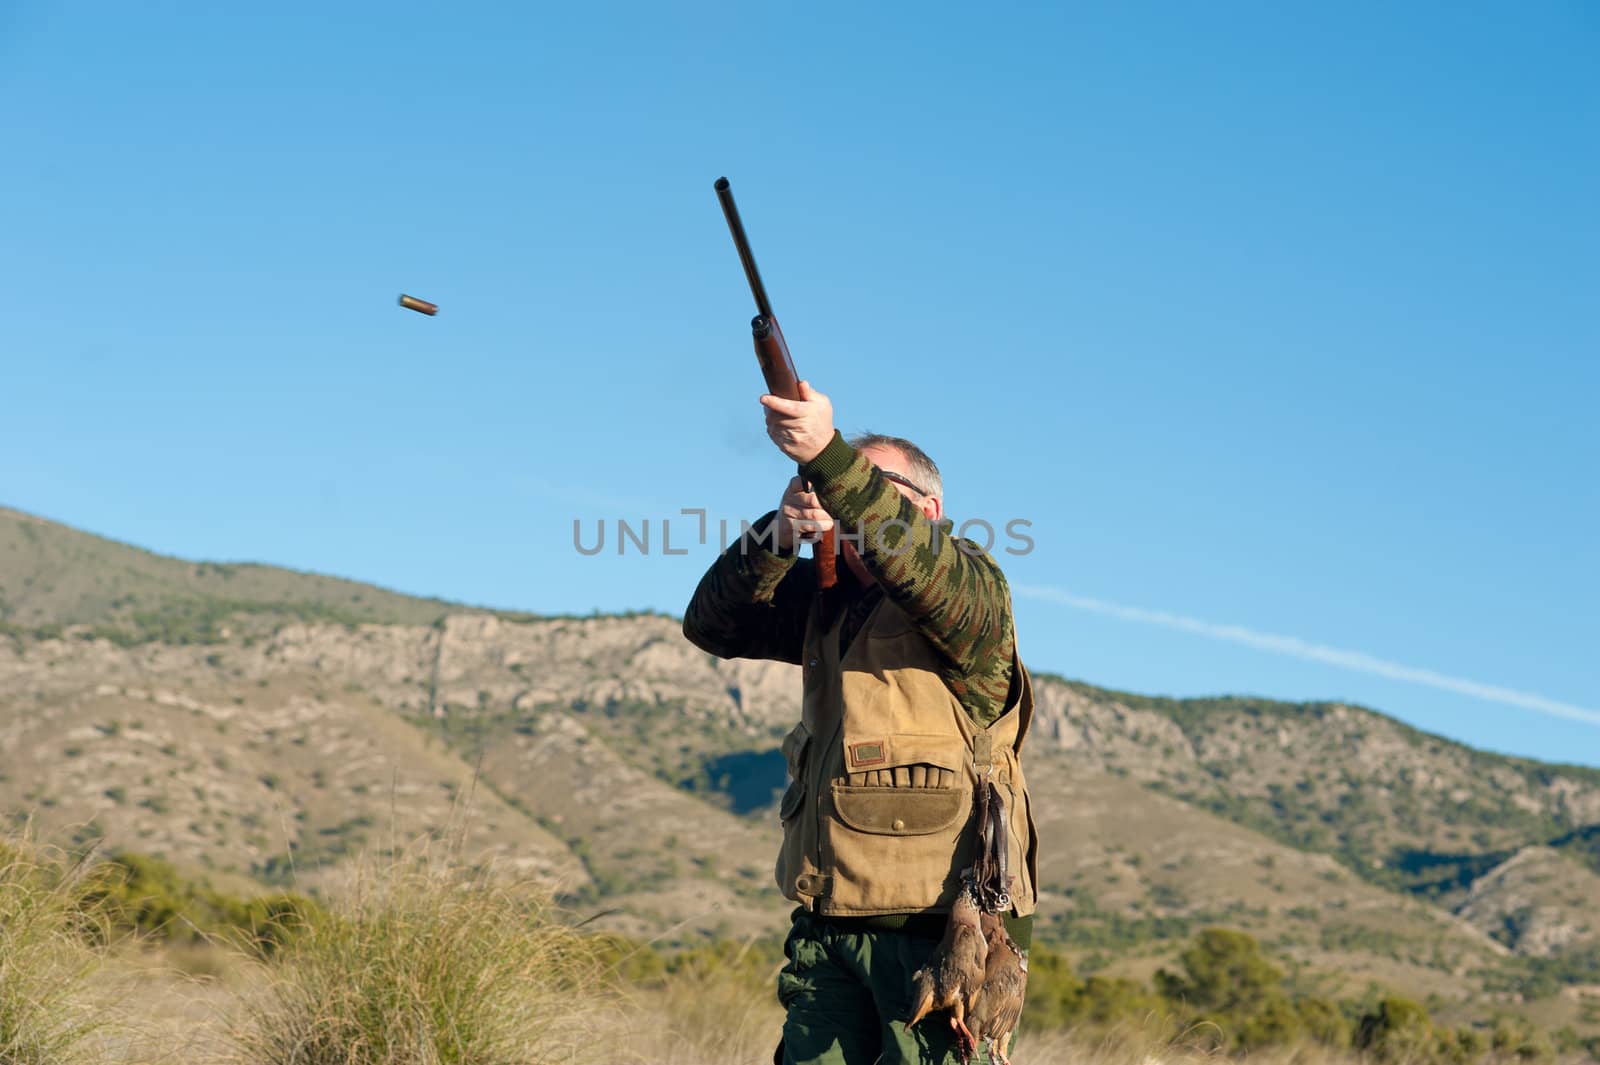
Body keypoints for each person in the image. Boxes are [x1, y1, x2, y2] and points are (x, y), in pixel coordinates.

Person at [683, 380, 1038, 1065]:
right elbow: (712, 624)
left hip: (942, 936)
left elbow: (914, 562)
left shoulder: (971, 589)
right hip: (827, 924)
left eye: (870, 484)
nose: (841, 495)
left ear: (929, 509)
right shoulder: (827, 608)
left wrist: (827, 452)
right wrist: (780, 532)